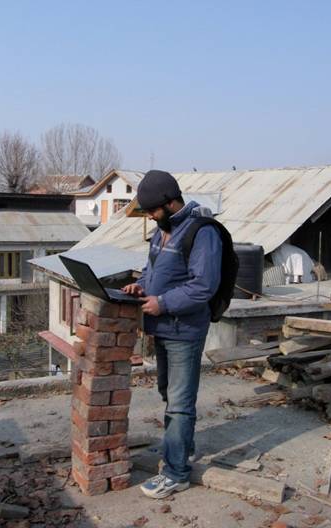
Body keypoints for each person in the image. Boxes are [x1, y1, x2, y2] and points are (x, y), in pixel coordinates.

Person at [122, 170, 222, 499]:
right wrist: (142, 285)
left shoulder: (202, 232)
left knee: (179, 403)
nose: (150, 217)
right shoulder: (162, 231)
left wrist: (162, 302)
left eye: (152, 210)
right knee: (168, 392)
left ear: (170, 202)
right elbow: (155, 268)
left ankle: (177, 472)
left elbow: (203, 286)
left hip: (185, 330)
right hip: (163, 328)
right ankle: (183, 447)